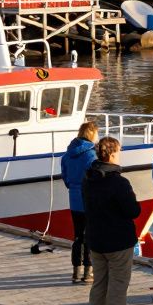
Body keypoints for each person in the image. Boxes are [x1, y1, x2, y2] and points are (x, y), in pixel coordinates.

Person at [82, 137, 141, 305]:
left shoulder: (88, 179)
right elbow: (133, 211)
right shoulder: (119, 182)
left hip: (96, 240)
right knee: (117, 287)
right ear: (113, 153)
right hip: (118, 242)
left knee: (99, 285)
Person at [61, 121, 98, 284]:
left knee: (78, 236)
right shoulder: (91, 155)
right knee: (89, 235)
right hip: (88, 199)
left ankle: (76, 270)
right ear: (91, 134)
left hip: (74, 198)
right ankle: (88, 271)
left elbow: (66, 177)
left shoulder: (68, 155)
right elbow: (95, 178)